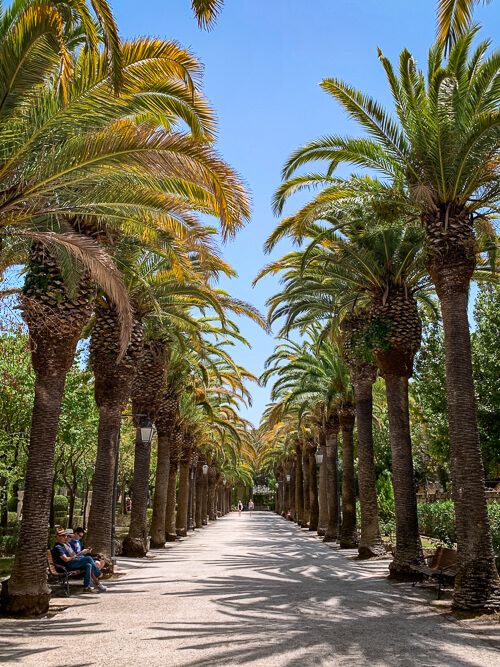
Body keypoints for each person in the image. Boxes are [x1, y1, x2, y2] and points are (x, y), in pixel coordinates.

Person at [52, 529, 107, 593]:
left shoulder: (64, 545)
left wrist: (76, 555)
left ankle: (86, 587)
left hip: (71, 563)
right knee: (88, 558)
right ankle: (98, 573)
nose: (65, 537)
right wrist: (76, 556)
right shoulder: (58, 547)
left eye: (65, 535)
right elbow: (66, 559)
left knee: (88, 565)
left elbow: (73, 554)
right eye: (63, 536)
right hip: (66, 566)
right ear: (58, 537)